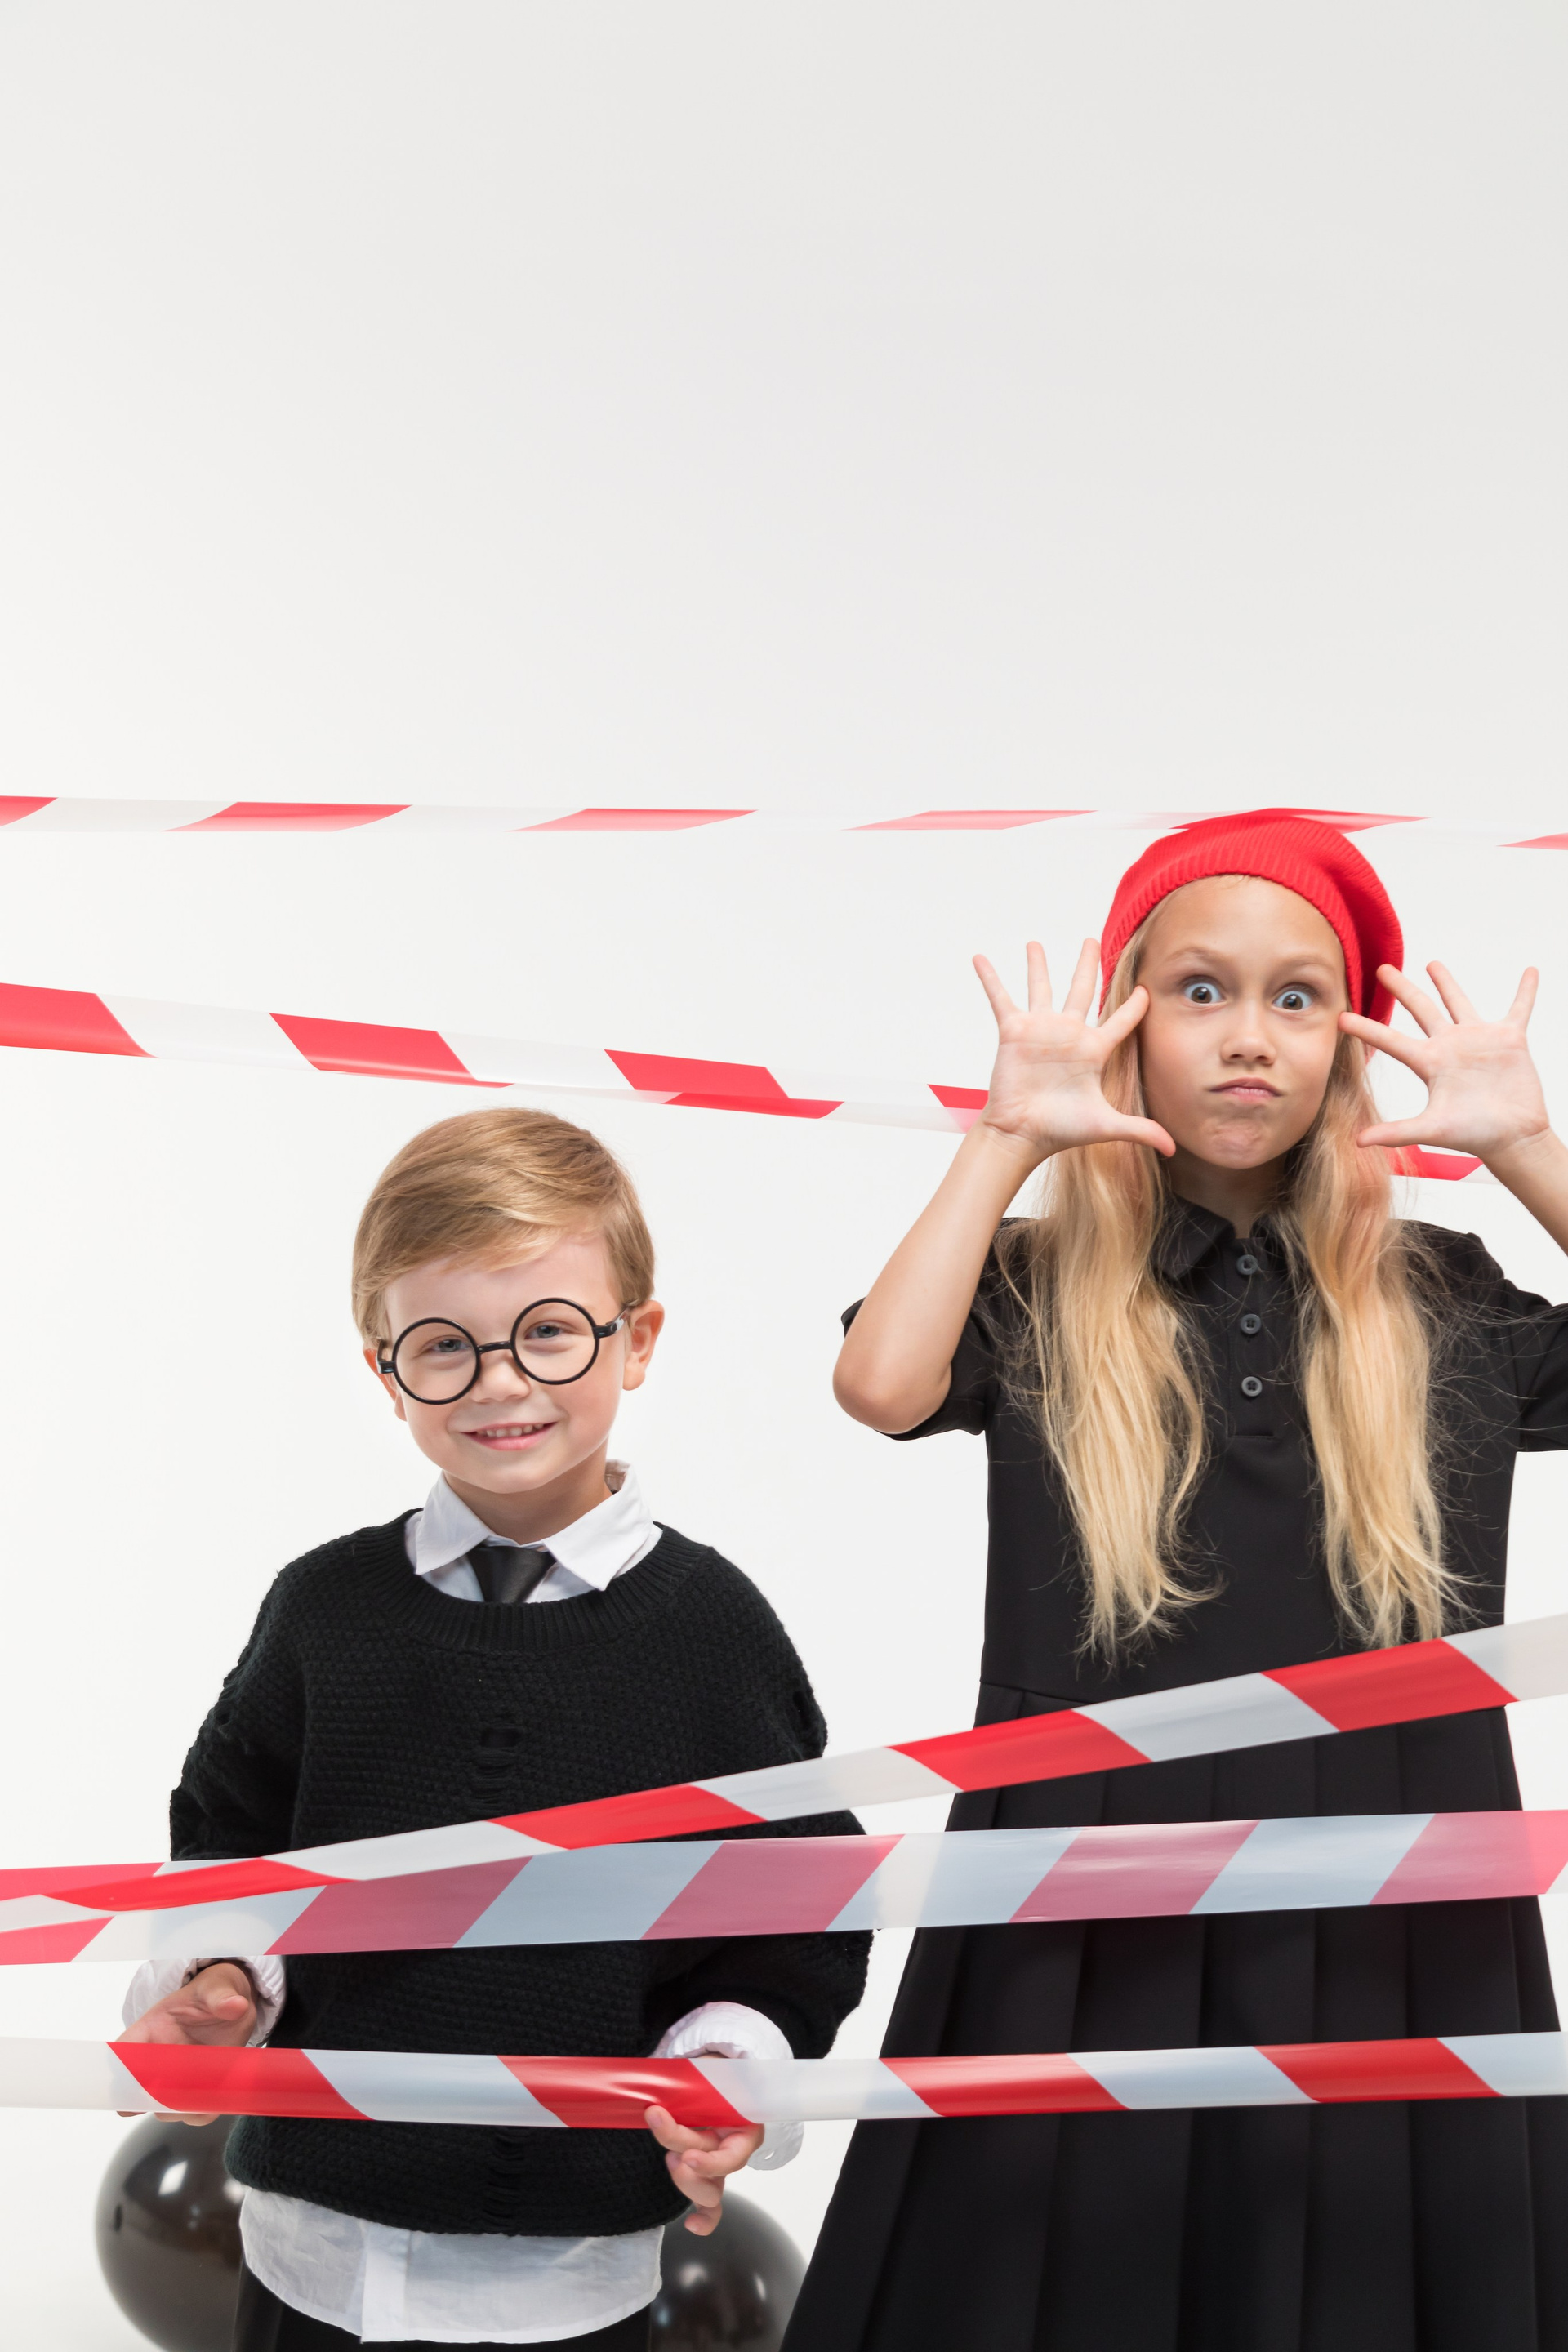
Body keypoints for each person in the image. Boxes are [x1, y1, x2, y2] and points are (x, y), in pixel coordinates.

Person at [784, 809, 1568, 2352]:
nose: (1248, 1036)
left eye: (1297, 998)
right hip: (1087, 1880)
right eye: (1200, 991)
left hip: (1394, 1886)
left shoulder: (1442, 1297)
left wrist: (1526, 1149)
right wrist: (1006, 1137)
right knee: (1062, 2274)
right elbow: (879, 1385)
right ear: (1130, 1021)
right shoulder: (1036, 1285)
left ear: (1346, 1045)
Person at [119, 1106, 869, 2351]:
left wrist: (728, 2064)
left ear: (638, 1341)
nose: (502, 1381)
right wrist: (219, 1979)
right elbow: (229, 1835)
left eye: (550, 1332)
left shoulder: (713, 1630)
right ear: (385, 1372)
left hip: (569, 2270)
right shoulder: (322, 1608)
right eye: (444, 1346)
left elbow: (795, 1909)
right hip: (314, 2250)